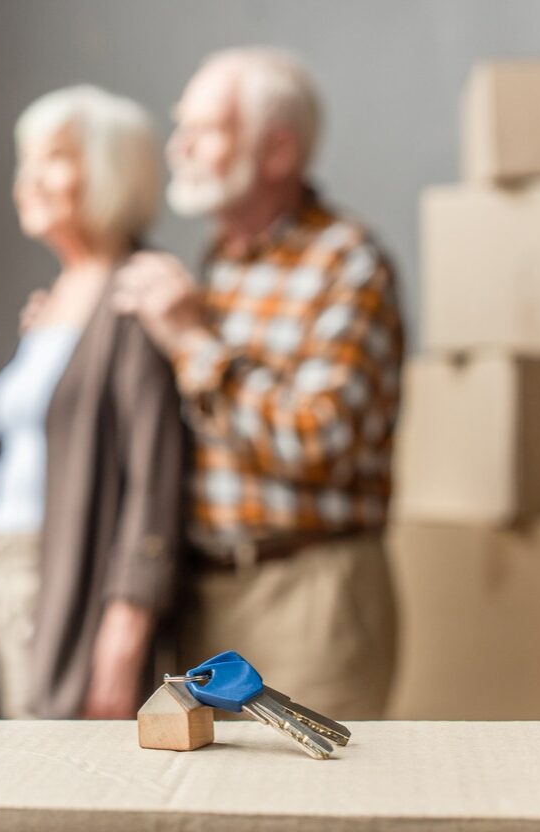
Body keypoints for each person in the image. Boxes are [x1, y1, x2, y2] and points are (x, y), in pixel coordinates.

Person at [115, 48, 405, 719]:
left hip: (309, 592)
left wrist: (192, 341)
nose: (178, 146)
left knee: (306, 812)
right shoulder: (218, 262)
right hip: (204, 593)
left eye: (207, 129)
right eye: (180, 125)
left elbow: (320, 439)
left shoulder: (348, 263)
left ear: (277, 152)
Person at [0, 85, 185, 721]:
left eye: (54, 158)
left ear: (110, 171)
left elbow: (152, 478)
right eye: (25, 159)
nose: (30, 179)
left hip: (68, 576)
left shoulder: (138, 293)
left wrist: (124, 626)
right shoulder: (57, 297)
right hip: (13, 561)